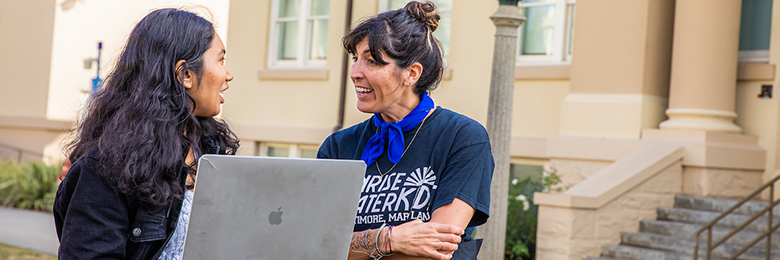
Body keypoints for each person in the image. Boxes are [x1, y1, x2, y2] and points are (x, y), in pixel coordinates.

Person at [53, 8, 239, 260]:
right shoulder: (104, 169)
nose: (229, 75)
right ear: (185, 75)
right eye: (221, 60)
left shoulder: (212, 152)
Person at [317, 1, 493, 259]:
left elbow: (437, 246)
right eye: (356, 59)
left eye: (372, 61)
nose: (355, 72)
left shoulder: (463, 137)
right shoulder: (337, 146)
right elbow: (317, 244)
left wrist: (354, 244)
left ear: (411, 73)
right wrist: (389, 239)